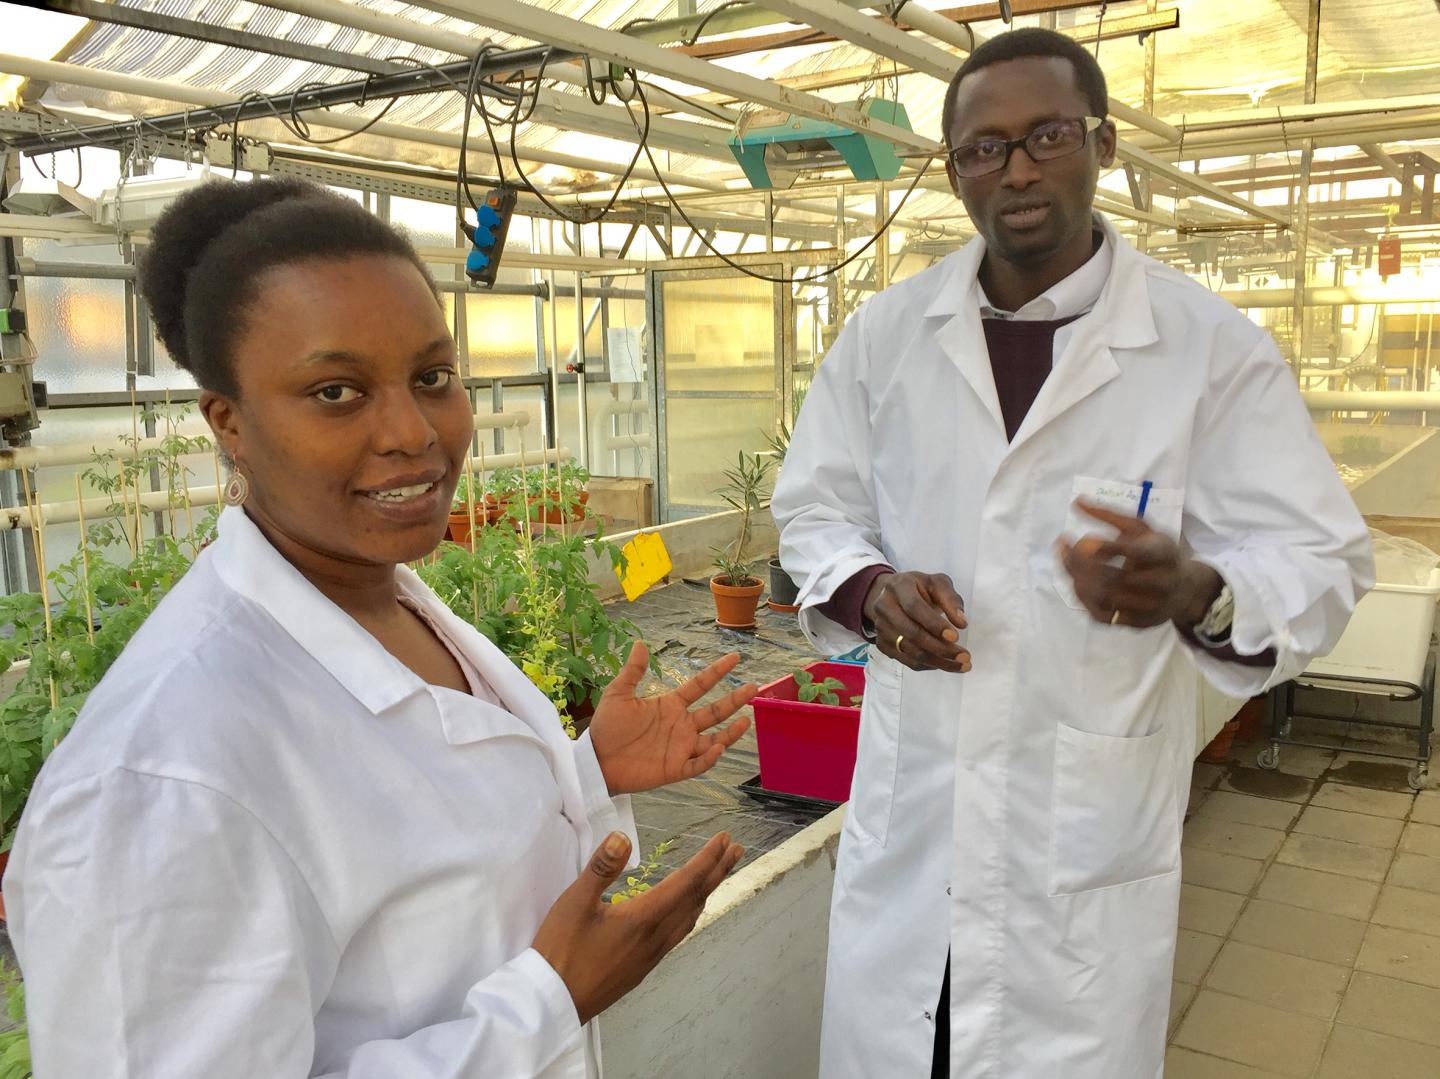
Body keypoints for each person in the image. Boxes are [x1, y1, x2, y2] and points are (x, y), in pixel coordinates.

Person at [8, 177, 758, 1077]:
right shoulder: (161, 781)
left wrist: (587, 773)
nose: (413, 431)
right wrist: (546, 1003)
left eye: (433, 377)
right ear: (229, 424)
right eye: (336, 391)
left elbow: (421, 870)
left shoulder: (385, 595)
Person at [771, 27, 1373, 1079]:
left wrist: (1202, 589)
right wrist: (870, 592)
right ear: (956, 170)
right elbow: (813, 508)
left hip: (1080, 863)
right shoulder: (886, 337)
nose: (1016, 168)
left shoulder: (1206, 350)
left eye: (1046, 134)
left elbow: (1323, 558)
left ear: (1102, 145)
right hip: (916, 836)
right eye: (983, 147)